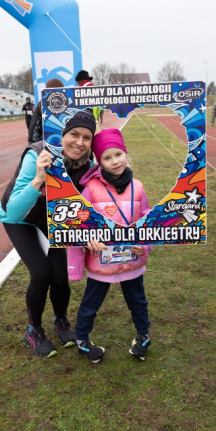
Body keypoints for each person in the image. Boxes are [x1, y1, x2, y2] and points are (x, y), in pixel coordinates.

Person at [0, 109, 97, 358]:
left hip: (52, 220)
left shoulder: (89, 162)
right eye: (74, 134)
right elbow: (14, 211)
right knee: (41, 274)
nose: (80, 142)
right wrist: (39, 179)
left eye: (87, 137)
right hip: (20, 218)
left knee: (60, 277)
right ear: (60, 134)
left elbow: (93, 202)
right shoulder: (36, 155)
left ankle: (61, 320)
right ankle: (33, 330)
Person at [68, 128, 153, 363]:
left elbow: (147, 221)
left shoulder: (138, 187)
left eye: (118, 154)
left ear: (126, 154)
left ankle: (143, 337)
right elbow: (79, 223)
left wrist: (144, 247)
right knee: (89, 305)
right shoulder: (90, 190)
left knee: (138, 302)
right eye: (107, 157)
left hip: (132, 262)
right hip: (100, 263)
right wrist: (87, 240)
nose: (114, 161)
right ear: (98, 162)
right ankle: (82, 340)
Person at [27, 79, 64, 144]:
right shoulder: (68, 104)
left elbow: (34, 126)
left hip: (45, 142)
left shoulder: (41, 104)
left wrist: (32, 144)